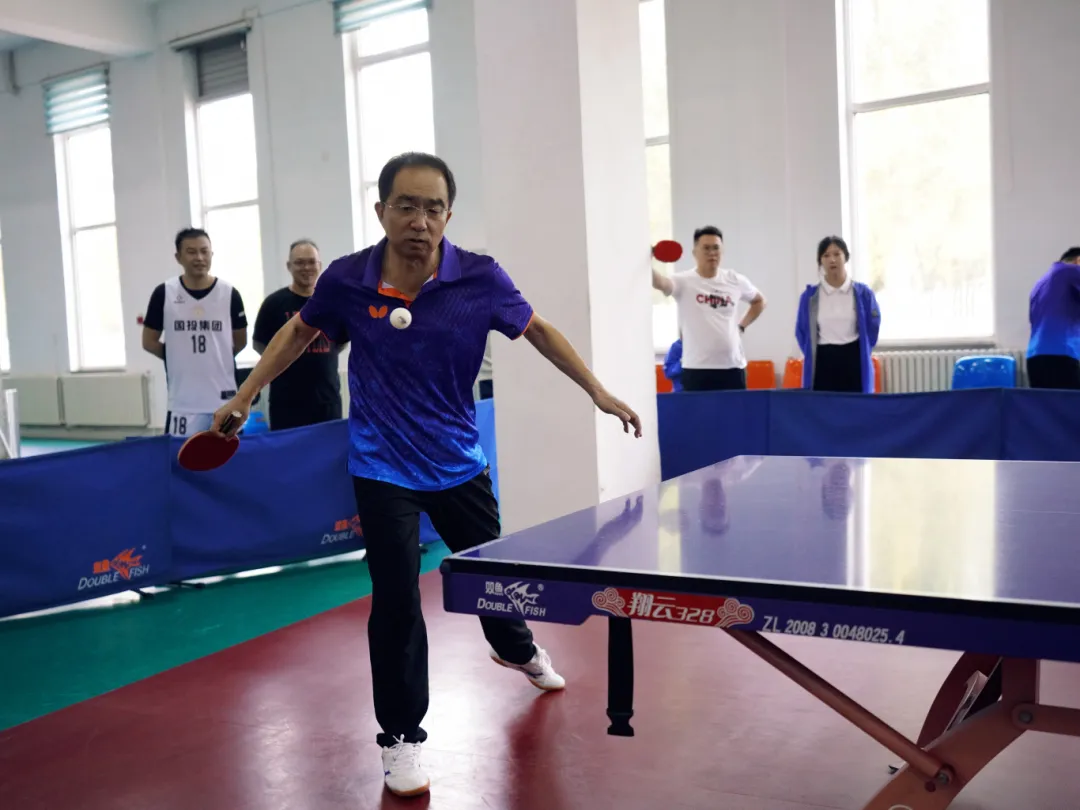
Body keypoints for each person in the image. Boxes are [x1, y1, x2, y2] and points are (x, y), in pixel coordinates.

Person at [210, 152, 642, 798]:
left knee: (495, 584)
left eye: (433, 208)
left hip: (458, 462)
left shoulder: (479, 278)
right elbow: (298, 334)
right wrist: (247, 395)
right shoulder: (347, 279)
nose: (419, 220)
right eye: (406, 206)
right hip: (381, 465)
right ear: (381, 210)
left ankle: (516, 647)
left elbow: (539, 331)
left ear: (448, 215)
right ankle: (401, 736)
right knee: (395, 599)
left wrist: (597, 391)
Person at [141, 228, 248, 436]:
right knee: (181, 455)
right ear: (178, 257)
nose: (199, 257)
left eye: (204, 251)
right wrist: (177, 355)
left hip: (224, 400)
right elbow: (149, 342)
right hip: (183, 402)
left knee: (230, 454)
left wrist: (215, 355)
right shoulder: (164, 293)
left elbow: (240, 341)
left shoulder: (229, 293)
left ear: (211, 254)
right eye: (191, 252)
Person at [651, 226, 766, 390]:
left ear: (722, 251)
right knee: (696, 408)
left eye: (716, 248)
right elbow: (660, 283)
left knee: (735, 408)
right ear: (695, 252)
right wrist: (646, 260)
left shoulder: (735, 280)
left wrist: (741, 326)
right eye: (706, 248)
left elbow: (759, 301)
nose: (712, 253)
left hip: (732, 367)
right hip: (696, 369)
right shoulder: (682, 281)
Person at [252, 239, 347, 430]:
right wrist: (285, 357)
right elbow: (260, 345)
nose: (306, 268)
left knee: (329, 449)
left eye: (311, 262)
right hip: (286, 404)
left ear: (320, 265)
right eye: (300, 262)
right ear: (289, 266)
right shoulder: (273, 304)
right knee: (288, 450)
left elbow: (341, 342)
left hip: (327, 403)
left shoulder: (334, 302)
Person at [795, 236, 880, 393]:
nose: (832, 260)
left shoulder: (863, 294)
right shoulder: (809, 297)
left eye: (837, 254)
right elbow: (801, 332)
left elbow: (873, 327)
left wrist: (863, 348)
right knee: (824, 406)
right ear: (820, 261)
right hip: (823, 361)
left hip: (854, 358)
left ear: (845, 257)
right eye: (826, 255)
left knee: (856, 404)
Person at [1026, 247, 1080, 390]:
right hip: (1061, 354)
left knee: (1045, 403)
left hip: (1034, 357)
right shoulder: (1070, 271)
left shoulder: (1039, 285)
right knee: (1070, 403)